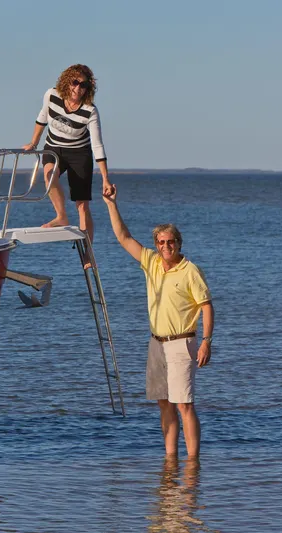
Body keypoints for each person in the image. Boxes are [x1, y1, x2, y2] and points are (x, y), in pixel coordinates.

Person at [102, 184, 214, 457]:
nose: (166, 246)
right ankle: (170, 458)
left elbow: (207, 307)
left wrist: (206, 342)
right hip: (156, 344)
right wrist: (111, 204)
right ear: (156, 245)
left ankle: (192, 462)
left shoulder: (190, 271)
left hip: (182, 343)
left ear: (179, 243)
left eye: (170, 242)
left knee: (184, 404)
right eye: (161, 242)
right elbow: (123, 237)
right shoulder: (150, 262)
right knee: (164, 403)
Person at [22, 64, 113, 268]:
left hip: (79, 153)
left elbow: (97, 145)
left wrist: (106, 179)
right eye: (75, 82)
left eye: (83, 85)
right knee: (48, 174)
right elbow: (42, 118)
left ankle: (87, 254)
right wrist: (34, 142)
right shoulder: (51, 95)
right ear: (67, 82)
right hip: (54, 147)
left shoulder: (90, 111)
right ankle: (61, 216)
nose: (78, 88)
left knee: (82, 205)